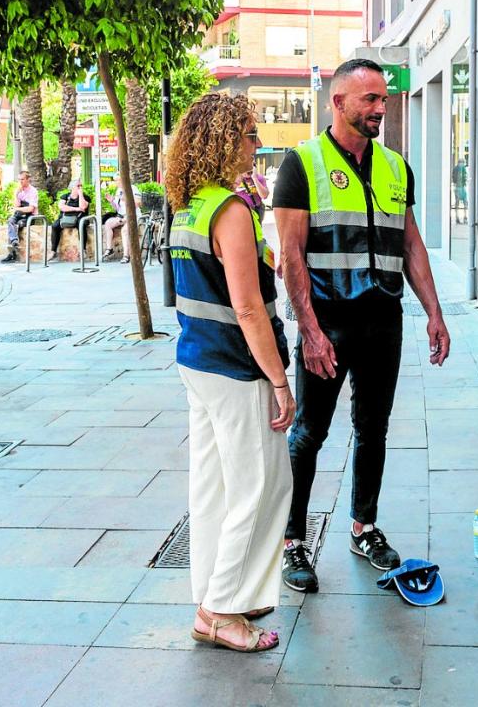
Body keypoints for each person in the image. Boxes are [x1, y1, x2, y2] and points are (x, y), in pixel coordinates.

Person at [273, 58, 451, 592]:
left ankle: (363, 525)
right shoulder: (300, 164)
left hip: (382, 321)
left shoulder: (397, 167)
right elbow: (291, 254)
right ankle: (292, 541)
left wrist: (435, 313)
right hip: (328, 324)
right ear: (339, 103)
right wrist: (309, 330)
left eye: (383, 98)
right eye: (370, 99)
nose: (380, 107)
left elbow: (410, 242)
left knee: (373, 428)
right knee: (310, 433)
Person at [167, 92, 295, 653]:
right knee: (262, 487)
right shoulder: (232, 211)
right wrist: (280, 379)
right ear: (223, 139)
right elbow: (246, 308)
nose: (258, 142)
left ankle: (219, 592)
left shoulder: (191, 205)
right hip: (237, 367)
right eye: (249, 133)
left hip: (198, 362)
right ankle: (221, 611)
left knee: (215, 487)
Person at [0, 170, 40, 263]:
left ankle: (12, 254)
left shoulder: (33, 191)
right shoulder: (19, 190)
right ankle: (14, 242)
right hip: (19, 214)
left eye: (22, 179)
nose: (20, 182)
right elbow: (17, 205)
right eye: (19, 179)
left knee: (17, 224)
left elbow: (31, 209)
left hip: (29, 217)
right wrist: (16, 194)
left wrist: (18, 209)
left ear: (28, 180)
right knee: (10, 221)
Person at [48, 180, 90, 261]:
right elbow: (62, 207)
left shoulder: (85, 197)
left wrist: (81, 194)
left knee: (82, 225)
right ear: (72, 187)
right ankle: (53, 251)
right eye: (78, 186)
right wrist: (77, 209)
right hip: (66, 217)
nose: (80, 187)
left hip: (80, 218)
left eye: (81, 185)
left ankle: (83, 250)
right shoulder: (65, 196)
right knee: (55, 226)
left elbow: (83, 207)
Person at [103, 188, 141, 263]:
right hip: (122, 216)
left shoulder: (133, 188)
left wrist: (126, 198)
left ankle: (126, 255)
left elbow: (138, 203)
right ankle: (109, 249)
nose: (117, 182)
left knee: (124, 230)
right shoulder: (118, 190)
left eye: (117, 180)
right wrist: (112, 202)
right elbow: (118, 208)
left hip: (133, 215)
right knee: (108, 223)